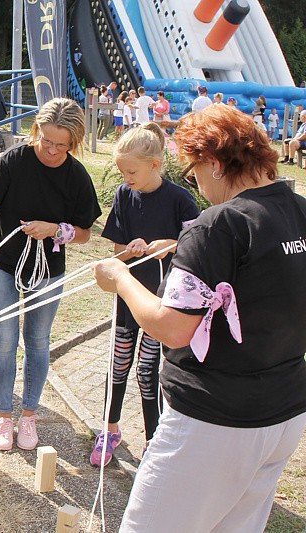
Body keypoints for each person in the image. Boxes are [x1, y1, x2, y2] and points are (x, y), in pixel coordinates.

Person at [92, 104, 306, 533]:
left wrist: (120, 278)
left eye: (193, 170)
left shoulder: (217, 226)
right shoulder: (299, 211)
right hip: (284, 413)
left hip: (214, 419)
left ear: (213, 162)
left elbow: (171, 328)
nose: (196, 182)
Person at [0, 98, 101, 451]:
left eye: (62, 145)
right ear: (36, 132)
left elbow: (86, 232)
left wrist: (56, 229)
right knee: (5, 341)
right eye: (46, 141)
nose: (53, 151)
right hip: (1, 264)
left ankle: (28, 416)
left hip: (47, 269)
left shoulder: (76, 176)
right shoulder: (15, 160)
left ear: (74, 142)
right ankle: (3, 415)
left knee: (39, 341)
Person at [91, 122, 200, 467]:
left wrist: (171, 245)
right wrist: (130, 250)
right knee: (119, 363)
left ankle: (154, 440)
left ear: (155, 164)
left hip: (162, 303)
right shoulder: (125, 195)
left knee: (148, 369)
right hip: (128, 298)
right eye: (122, 171)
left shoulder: (181, 200)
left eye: (132, 171)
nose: (126, 177)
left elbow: (197, 250)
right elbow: (117, 251)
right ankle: (109, 430)